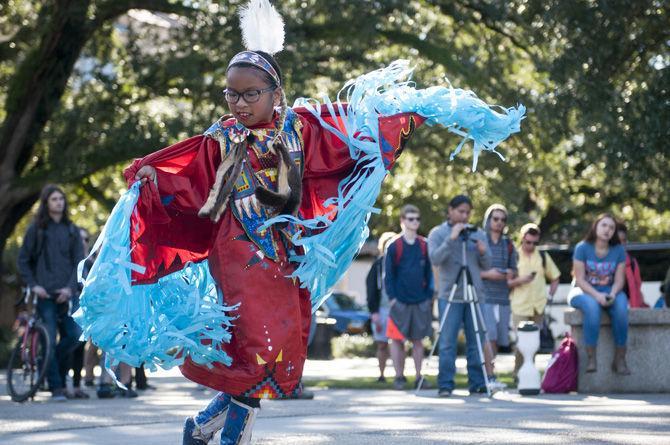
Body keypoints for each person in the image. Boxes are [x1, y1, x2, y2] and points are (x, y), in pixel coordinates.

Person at [75, 1, 525, 442]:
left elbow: (350, 133)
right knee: (255, 342)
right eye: (231, 93)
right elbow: (192, 181)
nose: (239, 103)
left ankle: (204, 425)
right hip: (236, 252)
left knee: (276, 344)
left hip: (286, 252)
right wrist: (156, 176)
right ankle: (231, 436)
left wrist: (403, 116)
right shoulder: (222, 138)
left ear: (276, 92)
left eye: (251, 94)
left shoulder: (301, 128)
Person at [17, 184, 84, 401]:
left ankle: (47, 365)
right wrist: (33, 285)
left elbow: (79, 264)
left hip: (67, 293)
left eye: (61, 199)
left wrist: (70, 288)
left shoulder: (72, 230)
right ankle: (57, 387)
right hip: (44, 294)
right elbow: (23, 261)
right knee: (49, 339)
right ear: (46, 203)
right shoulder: (35, 229)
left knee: (74, 336)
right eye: (54, 199)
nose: (59, 202)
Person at [428, 195, 491, 397]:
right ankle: (445, 384)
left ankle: (477, 383)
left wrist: (482, 252)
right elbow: (435, 259)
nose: (464, 216)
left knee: (476, 342)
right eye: (460, 211)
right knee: (447, 342)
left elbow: (488, 265)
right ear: (450, 210)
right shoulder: (438, 233)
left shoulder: (478, 233)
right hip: (450, 294)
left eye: (467, 212)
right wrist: (452, 238)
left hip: (474, 295)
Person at [569, 214, 630, 375]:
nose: (607, 230)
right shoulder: (582, 248)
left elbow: (619, 280)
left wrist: (612, 294)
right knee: (592, 307)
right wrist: (597, 296)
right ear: (595, 226)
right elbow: (580, 279)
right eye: (604, 225)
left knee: (622, 309)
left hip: (610, 291)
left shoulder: (618, 251)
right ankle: (591, 357)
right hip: (584, 290)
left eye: (611, 227)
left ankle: (620, 358)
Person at [384, 205, 433, 390]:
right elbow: (388, 276)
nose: (415, 222)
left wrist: (428, 297)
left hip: (420, 301)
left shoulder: (424, 245)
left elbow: (430, 275)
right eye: (411, 219)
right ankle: (399, 377)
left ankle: (419, 377)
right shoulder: (394, 246)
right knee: (397, 341)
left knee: (418, 340)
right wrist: (392, 299)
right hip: (400, 302)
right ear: (402, 221)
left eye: (417, 219)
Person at [508, 223, 560, 378]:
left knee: (534, 342)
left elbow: (555, 277)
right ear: (522, 239)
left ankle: (530, 372)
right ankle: (517, 374)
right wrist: (521, 280)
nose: (531, 246)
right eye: (528, 242)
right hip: (520, 306)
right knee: (522, 342)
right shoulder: (515, 256)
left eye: (535, 243)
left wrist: (550, 295)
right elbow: (507, 282)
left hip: (538, 306)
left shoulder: (542, 256)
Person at [479, 204, 517, 390]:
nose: (499, 223)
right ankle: (488, 375)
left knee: (499, 339)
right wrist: (488, 274)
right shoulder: (480, 241)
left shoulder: (508, 244)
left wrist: (508, 273)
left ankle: (489, 373)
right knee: (489, 336)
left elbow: (514, 270)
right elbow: (473, 270)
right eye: (496, 219)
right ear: (488, 220)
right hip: (484, 296)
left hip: (503, 298)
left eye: (503, 219)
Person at [366, 231, 397, 383]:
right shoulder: (378, 265)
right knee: (382, 344)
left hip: (396, 309)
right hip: (381, 310)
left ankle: (399, 374)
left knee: (397, 342)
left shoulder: (400, 263)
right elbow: (371, 288)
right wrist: (374, 311)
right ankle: (382, 374)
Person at [616, 222, 648, 308]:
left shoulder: (632, 262)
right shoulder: (602, 262)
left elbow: (637, 288)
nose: (621, 244)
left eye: (624, 240)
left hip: (630, 308)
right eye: (618, 241)